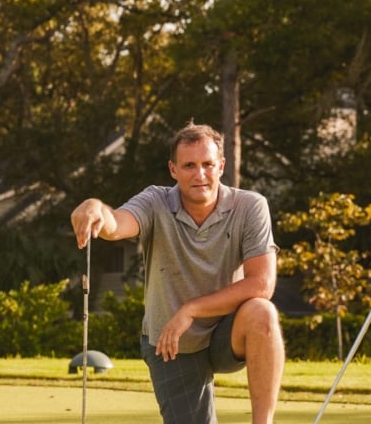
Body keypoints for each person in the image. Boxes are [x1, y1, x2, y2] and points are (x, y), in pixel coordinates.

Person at [70, 122, 284, 424]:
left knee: (262, 311)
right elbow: (117, 224)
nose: (200, 175)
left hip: (226, 331)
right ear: (173, 169)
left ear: (221, 166)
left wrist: (192, 309)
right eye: (189, 166)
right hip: (171, 342)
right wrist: (95, 207)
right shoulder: (155, 201)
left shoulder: (250, 206)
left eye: (208, 164)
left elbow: (261, 284)